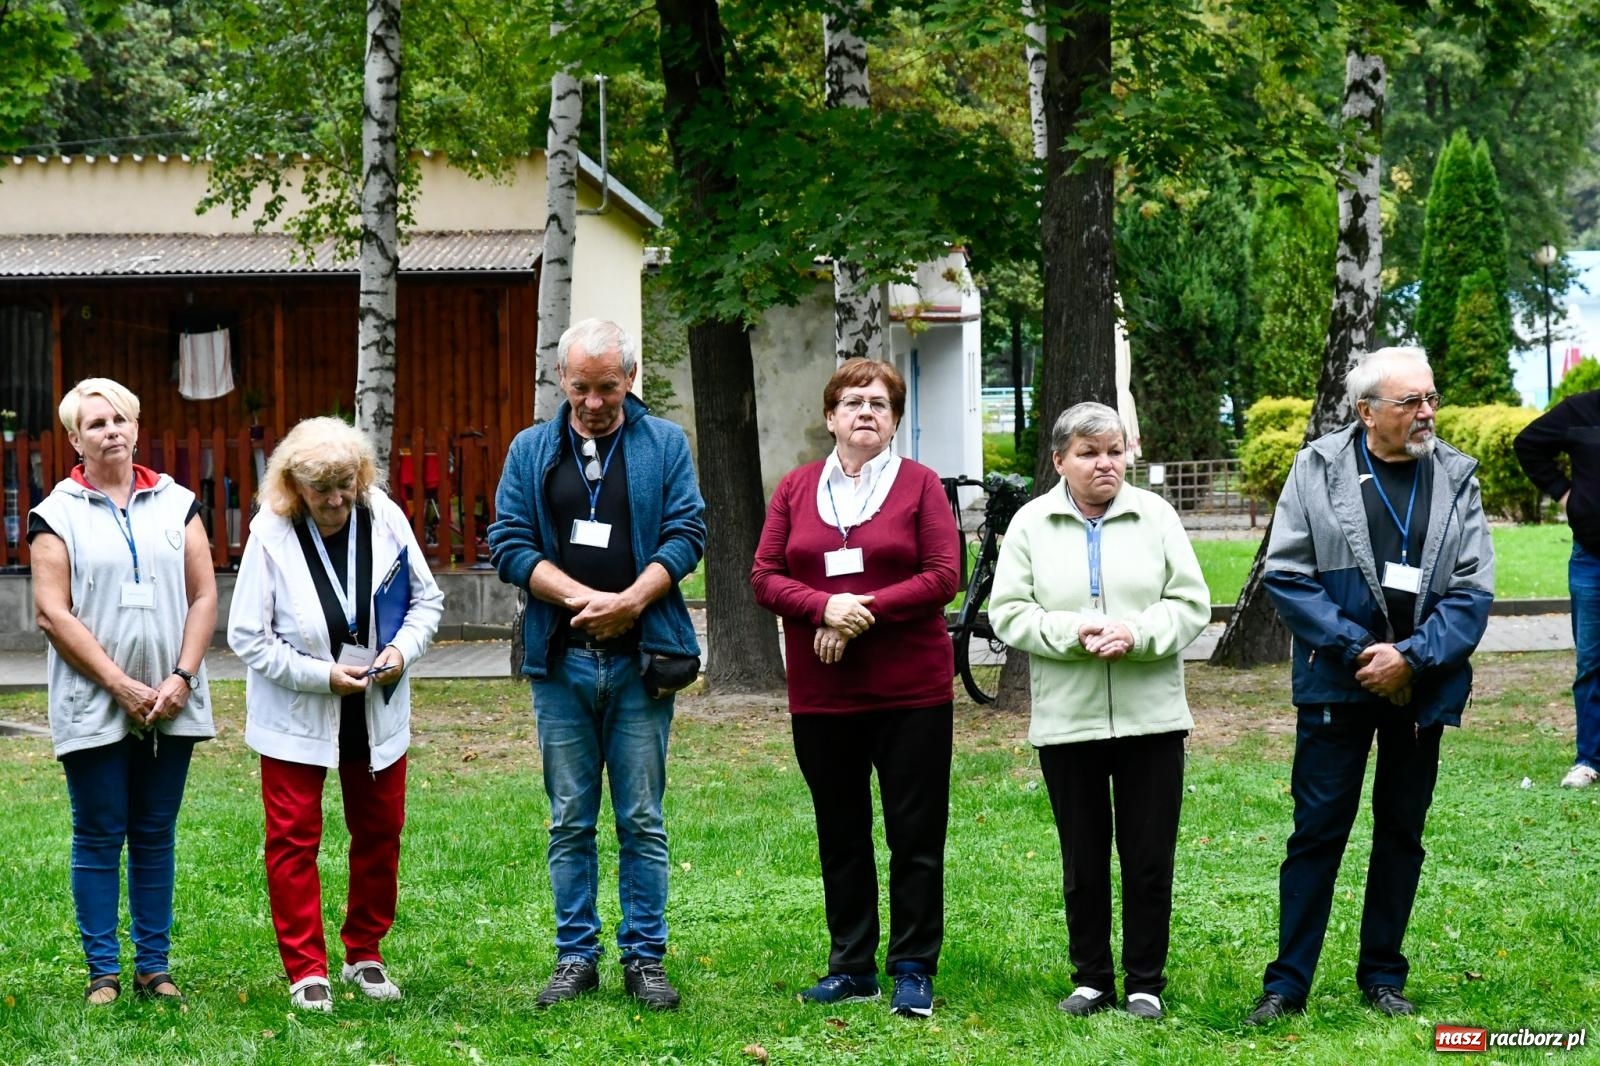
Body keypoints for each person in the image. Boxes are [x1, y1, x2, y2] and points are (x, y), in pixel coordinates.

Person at [1244, 347, 1494, 1025]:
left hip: (1422, 686)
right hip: (1337, 680)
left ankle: (1383, 976)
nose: (1427, 412)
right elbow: (1287, 573)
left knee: (1401, 832)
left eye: (1431, 398)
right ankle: (1287, 985)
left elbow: (1472, 592)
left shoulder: (1456, 475)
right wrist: (1363, 653)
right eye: (1410, 401)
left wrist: (1410, 659)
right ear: (1366, 411)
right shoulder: (1318, 467)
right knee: (1316, 833)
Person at [489, 318, 705, 1012]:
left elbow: (687, 532)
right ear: (562, 379)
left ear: (629, 380)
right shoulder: (531, 449)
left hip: (642, 660)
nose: (592, 402)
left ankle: (645, 958)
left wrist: (631, 602)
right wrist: (584, 601)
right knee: (569, 819)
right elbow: (509, 543)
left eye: (607, 388)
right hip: (562, 662)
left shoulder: (664, 443)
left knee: (641, 817)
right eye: (580, 387)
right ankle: (575, 956)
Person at [751, 359, 959, 1019]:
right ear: (830, 416)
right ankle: (851, 967)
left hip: (911, 692)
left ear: (894, 420)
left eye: (879, 403)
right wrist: (822, 607)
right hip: (824, 694)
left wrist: (857, 611)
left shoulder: (921, 485)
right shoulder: (795, 488)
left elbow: (942, 575)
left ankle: (913, 968)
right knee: (840, 833)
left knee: (914, 835)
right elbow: (765, 575)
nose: (866, 411)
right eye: (852, 402)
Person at [989, 401, 1208, 1022]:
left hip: (1151, 719)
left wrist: (1136, 634)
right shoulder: (1031, 524)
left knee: (1148, 858)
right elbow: (1009, 612)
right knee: (1083, 859)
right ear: (1060, 460)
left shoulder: (1156, 516)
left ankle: (1145, 983)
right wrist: (1074, 631)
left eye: (1114, 451)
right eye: (1088, 453)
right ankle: (1091, 979)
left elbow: (1190, 603)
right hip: (1068, 721)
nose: (1104, 463)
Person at [227, 417, 444, 1012]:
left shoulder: (385, 516)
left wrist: (401, 650)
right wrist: (320, 676)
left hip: (375, 701)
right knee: (293, 838)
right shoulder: (270, 532)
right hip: (298, 708)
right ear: (293, 485)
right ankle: (306, 968)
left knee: (380, 831)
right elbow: (248, 636)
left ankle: (364, 953)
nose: (335, 499)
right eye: (320, 488)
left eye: (345, 484)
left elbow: (426, 600)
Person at [29, 377, 217, 1005]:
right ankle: (103, 972)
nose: (110, 431)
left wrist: (181, 676)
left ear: (136, 427)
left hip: (172, 697)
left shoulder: (177, 502)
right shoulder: (55, 514)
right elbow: (52, 613)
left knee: (156, 831)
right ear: (74, 439)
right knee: (99, 832)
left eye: (119, 420)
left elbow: (203, 595)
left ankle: (153, 968)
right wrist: (119, 684)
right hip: (93, 699)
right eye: (96, 423)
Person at [1514, 390, 1600, 788]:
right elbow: (1528, 444)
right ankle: (1590, 759)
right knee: (1592, 663)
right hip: (1592, 557)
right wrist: (1567, 495)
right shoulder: (1581, 409)